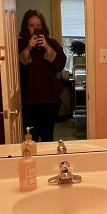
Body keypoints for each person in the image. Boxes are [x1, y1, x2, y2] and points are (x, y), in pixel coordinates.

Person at [18, 9, 67, 143]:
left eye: (38, 26)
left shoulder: (52, 43)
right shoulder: (20, 44)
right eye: (31, 26)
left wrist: (47, 47)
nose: (35, 29)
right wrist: (29, 48)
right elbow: (15, 68)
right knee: (30, 138)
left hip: (50, 100)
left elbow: (60, 65)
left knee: (47, 137)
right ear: (26, 27)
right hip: (28, 100)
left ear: (43, 27)